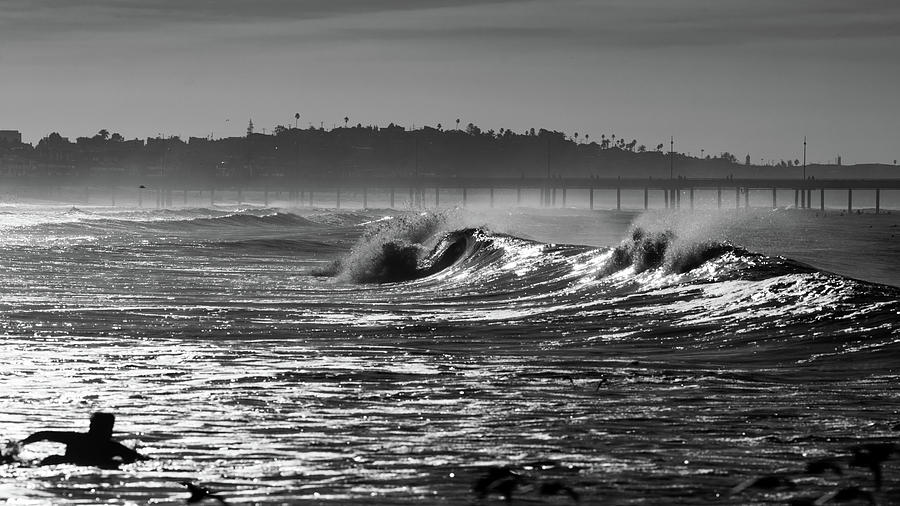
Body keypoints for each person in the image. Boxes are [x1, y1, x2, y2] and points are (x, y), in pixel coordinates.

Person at [20, 412, 149, 469]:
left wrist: (21, 444)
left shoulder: (76, 439)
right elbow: (139, 459)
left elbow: (43, 434)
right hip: (80, 465)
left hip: (67, 464)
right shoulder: (113, 447)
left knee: (51, 459)